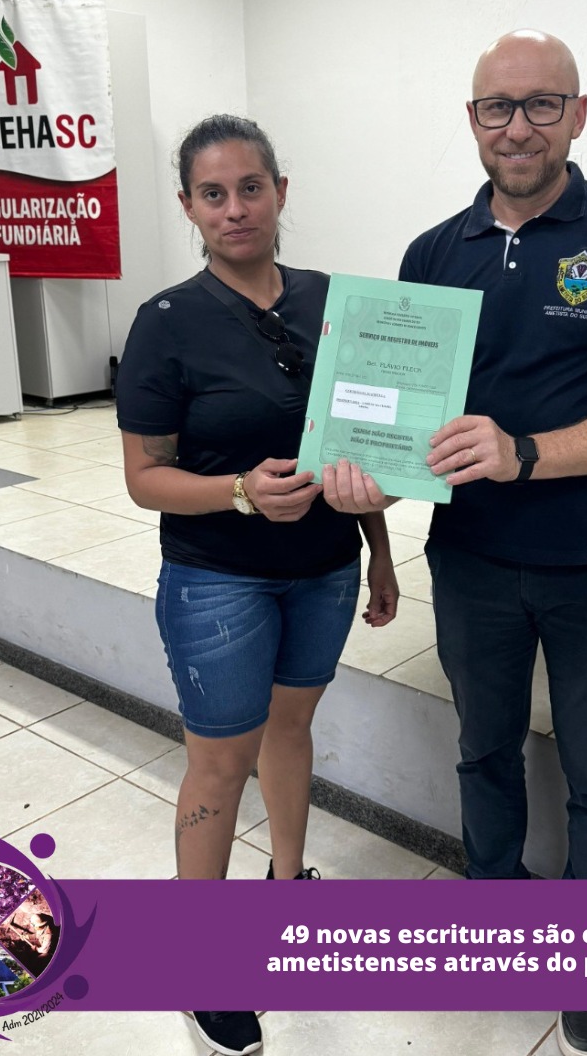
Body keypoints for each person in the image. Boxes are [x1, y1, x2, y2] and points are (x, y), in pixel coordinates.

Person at [325, 31, 587, 1056]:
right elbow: (402, 426)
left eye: (542, 104)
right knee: (483, 750)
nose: (519, 127)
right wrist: (367, 479)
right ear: (473, 120)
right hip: (474, 562)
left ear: (578, 114)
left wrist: (523, 452)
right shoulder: (432, 254)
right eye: (499, 107)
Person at [115, 114, 398, 1056]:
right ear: (188, 206)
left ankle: (287, 884)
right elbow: (144, 477)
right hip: (218, 581)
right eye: (213, 194)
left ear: (281, 191)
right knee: (218, 763)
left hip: (325, 570)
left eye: (250, 187)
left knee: (291, 728)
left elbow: (358, 446)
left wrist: (380, 551)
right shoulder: (165, 322)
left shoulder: (335, 304)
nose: (234, 208)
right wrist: (238, 492)